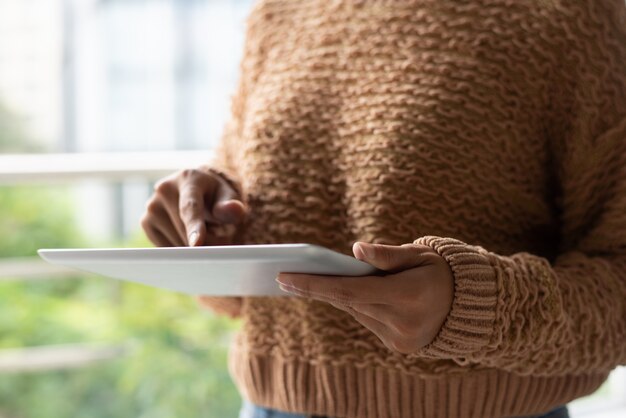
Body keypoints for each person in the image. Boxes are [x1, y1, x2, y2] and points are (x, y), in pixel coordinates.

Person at [140, 0, 626, 417]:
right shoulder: (279, 13)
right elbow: (243, 295)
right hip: (268, 406)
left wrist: (477, 309)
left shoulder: (572, 19)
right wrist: (202, 225)